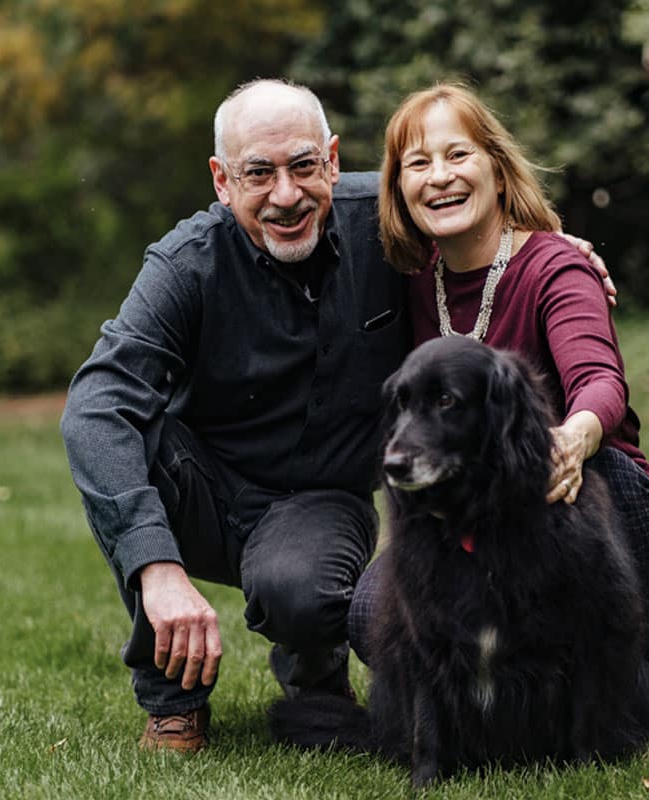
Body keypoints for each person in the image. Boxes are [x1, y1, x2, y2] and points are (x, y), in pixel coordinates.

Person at [61, 77, 614, 753]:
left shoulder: (385, 220)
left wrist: (559, 248)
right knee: (120, 440)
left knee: (307, 592)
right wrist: (157, 567)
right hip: (201, 487)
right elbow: (96, 405)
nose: (286, 195)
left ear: (332, 158)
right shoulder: (185, 264)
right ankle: (173, 700)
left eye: (303, 166)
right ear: (221, 179)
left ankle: (311, 657)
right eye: (257, 173)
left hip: (316, 500)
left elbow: (471, 219)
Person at [348, 83, 649, 728]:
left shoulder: (555, 268)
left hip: (576, 507)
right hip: (477, 520)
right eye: (417, 164)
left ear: (498, 171)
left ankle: (637, 678)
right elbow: (311, 193)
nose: (439, 177)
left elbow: (599, 380)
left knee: (609, 476)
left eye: (458, 155)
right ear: (398, 188)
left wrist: (575, 438)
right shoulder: (404, 278)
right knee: (371, 612)